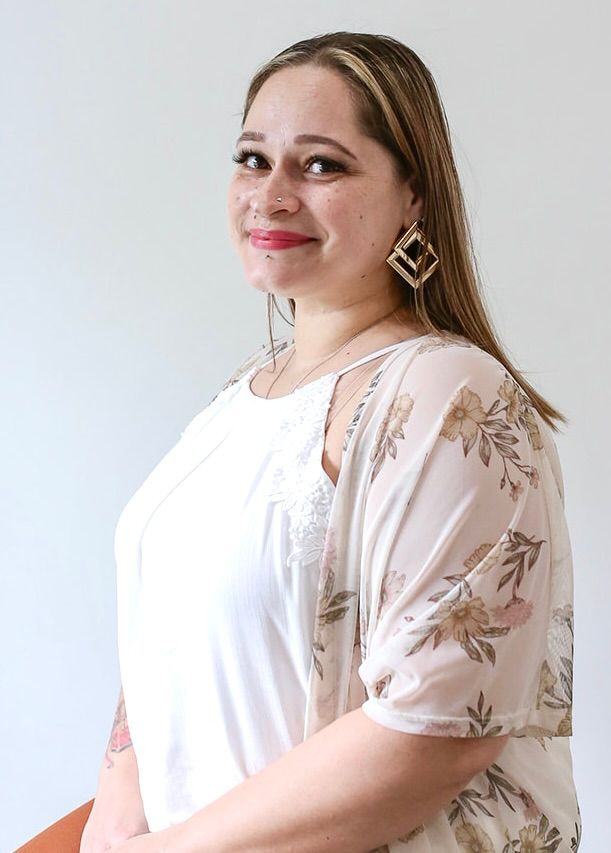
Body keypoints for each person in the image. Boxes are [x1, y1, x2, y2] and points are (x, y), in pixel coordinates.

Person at [79, 31, 581, 853]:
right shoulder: (238, 400)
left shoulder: (444, 391)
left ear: (412, 195)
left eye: (320, 165)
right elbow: (163, 644)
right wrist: (112, 824)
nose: (270, 196)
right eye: (251, 158)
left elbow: (435, 730)